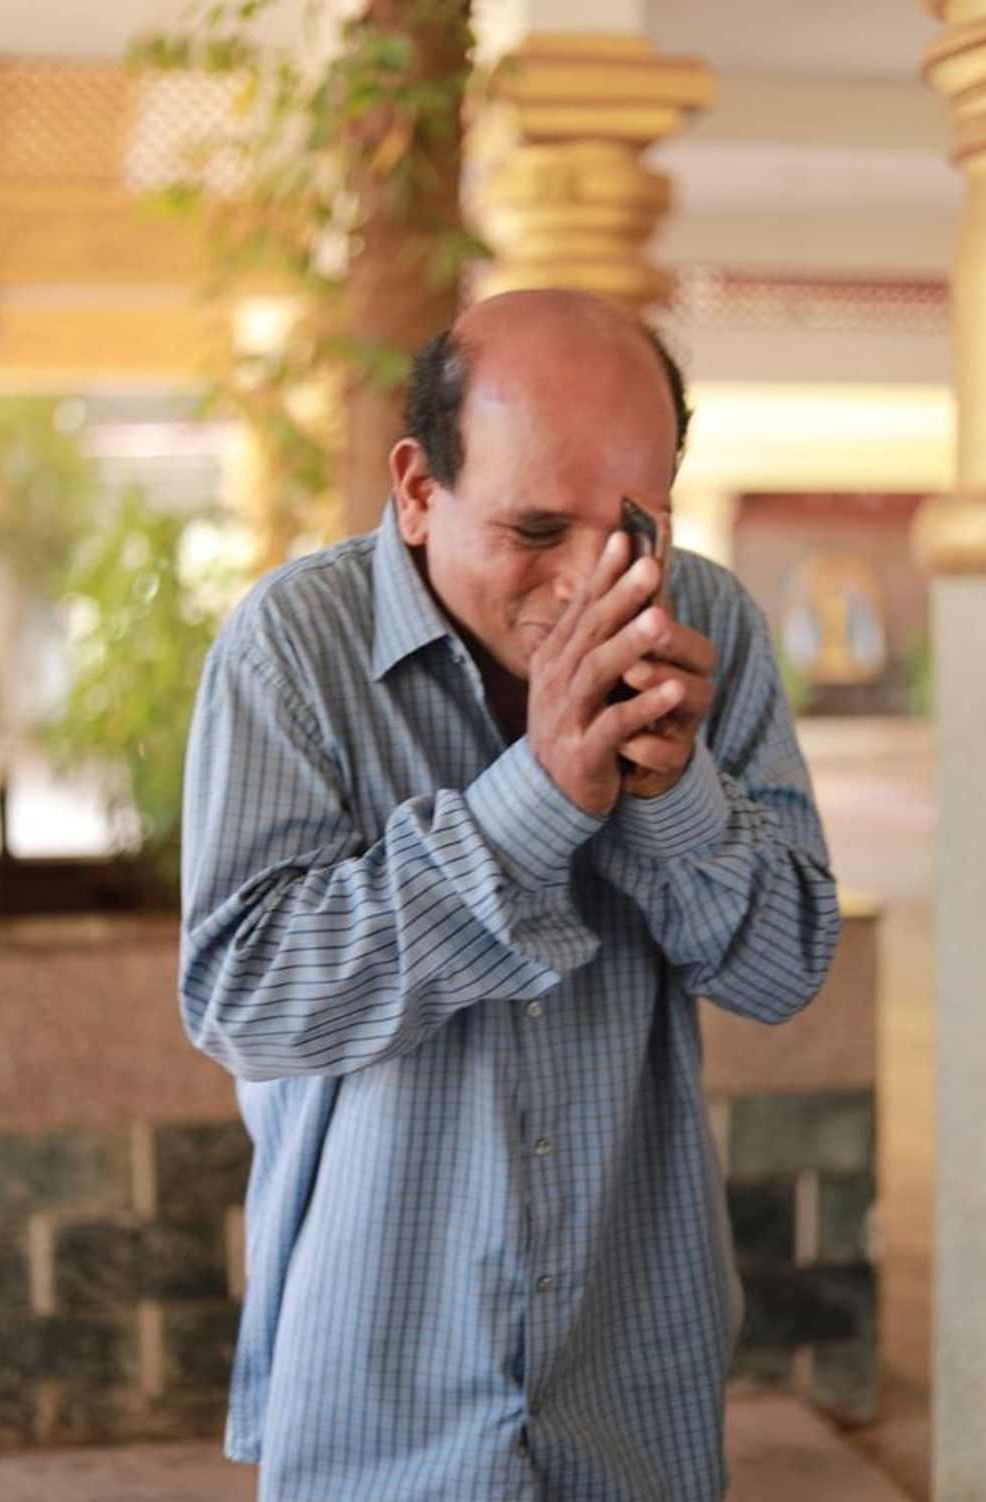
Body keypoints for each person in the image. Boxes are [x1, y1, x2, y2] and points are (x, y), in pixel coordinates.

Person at [180, 288, 840, 1502]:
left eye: (632, 525)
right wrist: (535, 799)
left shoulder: (714, 631)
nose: (588, 581)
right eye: (534, 528)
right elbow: (246, 998)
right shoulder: (293, 647)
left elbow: (784, 969)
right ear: (416, 489)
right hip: (378, 1387)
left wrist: (674, 793)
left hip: (633, 1382)